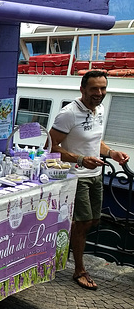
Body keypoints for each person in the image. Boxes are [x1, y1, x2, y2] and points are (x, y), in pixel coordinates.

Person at [49, 70, 129, 290]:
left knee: (93, 220)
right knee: (84, 222)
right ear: (82, 89)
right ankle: (79, 270)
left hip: (95, 175)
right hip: (77, 176)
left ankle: (61, 244)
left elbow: (95, 140)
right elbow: (51, 146)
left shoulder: (100, 109)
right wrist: (81, 159)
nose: (99, 93)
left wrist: (111, 153)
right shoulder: (69, 113)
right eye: (94, 88)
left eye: (103, 88)